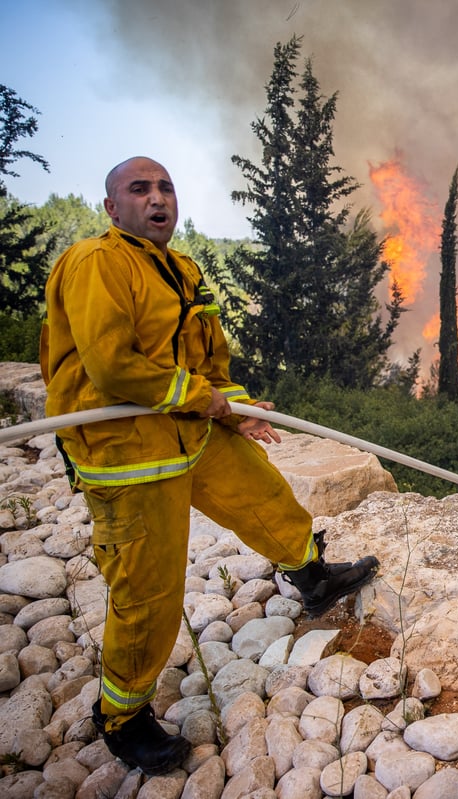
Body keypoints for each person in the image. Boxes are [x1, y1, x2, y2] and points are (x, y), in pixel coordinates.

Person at [39, 156, 380, 776]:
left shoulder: (181, 268)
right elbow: (113, 366)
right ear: (112, 208)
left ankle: (312, 576)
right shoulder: (97, 262)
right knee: (149, 590)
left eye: (165, 186)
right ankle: (122, 717)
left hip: (190, 433)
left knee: (264, 495)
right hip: (130, 459)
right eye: (139, 189)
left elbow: (206, 360)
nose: (157, 197)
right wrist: (205, 401)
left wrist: (233, 410)